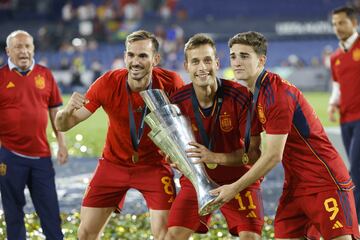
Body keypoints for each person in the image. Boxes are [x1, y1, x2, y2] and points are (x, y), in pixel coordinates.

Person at [204, 31, 360, 239]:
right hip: (295, 184)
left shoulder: (276, 95)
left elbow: (272, 156)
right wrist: (212, 158)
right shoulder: (253, 95)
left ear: (261, 60)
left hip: (324, 181)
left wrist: (233, 188)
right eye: (233, 56)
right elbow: (252, 152)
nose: (237, 62)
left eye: (244, 56)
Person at [55, 30, 184, 240]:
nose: (135, 61)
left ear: (156, 59)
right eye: (131, 55)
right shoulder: (107, 82)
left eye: (142, 56)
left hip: (154, 166)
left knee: (164, 235)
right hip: (113, 164)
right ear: (124, 56)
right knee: (85, 233)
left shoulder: (171, 83)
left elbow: (189, 125)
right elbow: (64, 125)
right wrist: (66, 111)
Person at [165, 33, 264, 240]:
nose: (202, 67)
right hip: (197, 180)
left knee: (250, 238)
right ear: (186, 66)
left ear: (217, 63)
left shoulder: (240, 96)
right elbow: (171, 147)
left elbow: (254, 153)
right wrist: (176, 158)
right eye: (195, 62)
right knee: (172, 236)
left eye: (207, 60)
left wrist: (215, 157)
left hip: (239, 180)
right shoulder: (177, 101)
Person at [0, 30, 68, 239]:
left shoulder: (45, 74)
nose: (24, 51)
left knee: (50, 210)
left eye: (27, 46)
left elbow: (55, 111)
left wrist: (61, 143)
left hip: (42, 156)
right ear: (8, 51)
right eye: (18, 47)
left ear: (33, 48)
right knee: (13, 213)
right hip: (9, 156)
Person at [328, 6, 360, 224]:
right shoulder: (336, 57)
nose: (337, 28)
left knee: (355, 169)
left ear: (354, 23)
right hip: (346, 118)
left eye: (342, 23)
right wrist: (332, 104)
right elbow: (337, 84)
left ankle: (354, 220)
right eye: (334, 24)